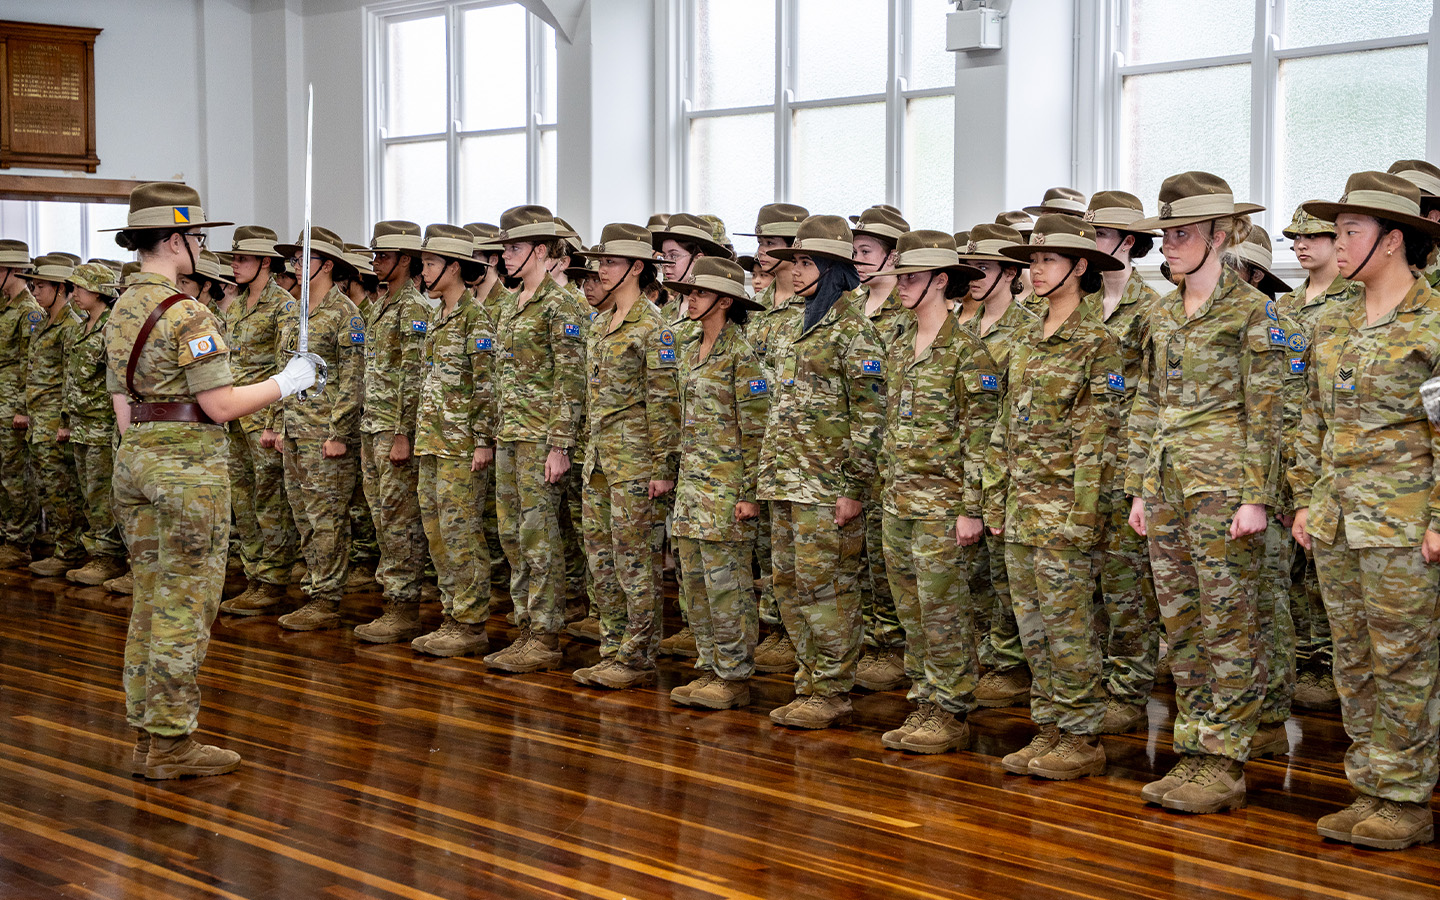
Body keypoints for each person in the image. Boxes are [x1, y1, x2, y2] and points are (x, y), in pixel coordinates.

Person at [104, 182, 316, 778]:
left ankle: (148, 734)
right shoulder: (187, 312)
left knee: (151, 599)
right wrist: (288, 382)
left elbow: (122, 402)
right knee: (186, 604)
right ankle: (171, 744)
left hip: (136, 457)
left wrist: (147, 451)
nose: (202, 247)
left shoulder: (122, 307)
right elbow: (219, 406)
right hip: (186, 469)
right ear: (175, 240)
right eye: (197, 236)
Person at [1127, 171, 1283, 814]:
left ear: (1220, 236)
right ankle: (1193, 749)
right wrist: (1139, 488)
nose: (1168, 245)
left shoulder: (1253, 312)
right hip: (1167, 486)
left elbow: (1268, 412)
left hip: (1223, 490)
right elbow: (1148, 403)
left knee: (1229, 626)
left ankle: (1225, 760)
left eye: (1182, 234)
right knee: (1183, 625)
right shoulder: (1162, 314)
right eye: (1165, 235)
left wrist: (1256, 497)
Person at [1293, 172, 1440, 850]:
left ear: (1393, 239)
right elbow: (1316, 422)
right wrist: (1309, 501)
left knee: (1404, 663)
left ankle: (1406, 800)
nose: (1339, 242)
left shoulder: (1432, 321)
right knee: (1353, 661)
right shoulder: (1334, 320)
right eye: (1339, 230)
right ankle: (1371, 786)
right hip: (1339, 521)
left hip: (1403, 525)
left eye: (1351, 231)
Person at [985, 214, 1124, 780]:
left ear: (1080, 266)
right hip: (1021, 508)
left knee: (1070, 630)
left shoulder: (1099, 342)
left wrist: (1084, 516)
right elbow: (1004, 425)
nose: (1035, 270)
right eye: (1032, 261)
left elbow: (1100, 439)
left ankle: (1082, 736)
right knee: (1034, 629)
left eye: (1047, 260)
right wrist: (995, 497)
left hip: (1066, 511)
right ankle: (1050, 726)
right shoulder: (1025, 336)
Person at [868, 231, 993, 753]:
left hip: (943, 506)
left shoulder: (968, 351)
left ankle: (951, 708)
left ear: (941, 281)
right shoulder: (897, 345)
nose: (901, 287)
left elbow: (982, 438)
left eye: (912, 278)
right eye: (899, 277)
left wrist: (971, 509)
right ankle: (924, 699)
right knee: (911, 611)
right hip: (898, 501)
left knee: (944, 611)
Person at [760, 215, 885, 729]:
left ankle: (832, 689)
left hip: (827, 488)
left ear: (833, 269)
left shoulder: (855, 331)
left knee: (827, 589)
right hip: (786, 481)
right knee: (788, 585)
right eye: (793, 262)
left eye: (806, 262)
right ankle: (809, 680)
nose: (794, 271)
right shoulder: (794, 323)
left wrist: (853, 488)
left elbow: (871, 419)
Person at [569, 223, 680, 689]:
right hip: (599, 462)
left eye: (610, 263)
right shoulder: (600, 324)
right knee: (602, 562)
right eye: (600, 263)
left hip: (636, 464)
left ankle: (636, 656)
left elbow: (665, 404)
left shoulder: (653, 328)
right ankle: (612, 648)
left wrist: (663, 469)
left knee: (636, 564)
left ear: (636, 268)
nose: (601, 271)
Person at [483, 205, 587, 674]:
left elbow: (571, 379)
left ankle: (544, 635)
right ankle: (525, 625)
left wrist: (560, 445)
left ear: (541, 251)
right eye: (504, 248)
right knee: (512, 536)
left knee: (539, 537)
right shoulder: (510, 304)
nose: (506, 255)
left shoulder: (562, 306)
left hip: (540, 439)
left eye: (515, 247)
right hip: (510, 433)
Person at [664, 257, 768, 709]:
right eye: (690, 292)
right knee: (696, 586)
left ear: (725, 301)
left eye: (700, 293)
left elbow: (758, 431)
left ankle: (733, 675)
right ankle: (709, 666)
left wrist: (750, 494)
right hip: (691, 491)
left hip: (726, 494)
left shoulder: (742, 357)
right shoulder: (690, 349)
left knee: (729, 588)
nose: (691, 299)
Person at [1085, 191, 1163, 734]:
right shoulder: (1077, 304)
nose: (1090, 245)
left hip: (1127, 464)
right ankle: (1089, 681)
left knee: (1127, 585)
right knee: (1083, 582)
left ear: (1128, 242)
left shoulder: (1154, 309)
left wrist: (1141, 478)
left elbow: (1157, 397)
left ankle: (1129, 688)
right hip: (1079, 467)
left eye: (1100, 236)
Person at [1278, 203, 1358, 712]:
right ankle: (1303, 655)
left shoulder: (1354, 299)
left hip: (1330, 451)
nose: (1302, 246)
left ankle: (1326, 663)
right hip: (1286, 447)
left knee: (1322, 566)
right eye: (1295, 239)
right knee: (1289, 565)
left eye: (1313, 237)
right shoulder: (1284, 306)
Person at [956, 224, 1038, 709]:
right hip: (961, 468)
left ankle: (1011, 663)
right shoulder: (960, 330)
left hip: (1008, 468)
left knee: (1008, 575)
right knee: (973, 574)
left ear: (1010, 273)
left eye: (983, 269)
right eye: (968, 269)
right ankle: (987, 652)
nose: (974, 278)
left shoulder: (1029, 330)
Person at [408, 224, 497, 657]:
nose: (424, 271)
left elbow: (487, 385)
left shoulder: (475, 318)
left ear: (455, 267)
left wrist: (483, 441)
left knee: (462, 532)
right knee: (437, 532)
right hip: (432, 440)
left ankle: (471, 622)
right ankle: (452, 614)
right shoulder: (436, 315)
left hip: (461, 445)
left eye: (430, 263)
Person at [271, 226, 366, 632]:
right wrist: (278, 423)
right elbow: (283, 373)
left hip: (325, 433)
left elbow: (354, 380)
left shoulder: (346, 314)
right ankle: (314, 586)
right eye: (293, 259)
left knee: (326, 517)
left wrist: (339, 433)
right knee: (303, 515)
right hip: (295, 428)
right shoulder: (294, 312)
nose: (295, 265)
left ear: (326, 265)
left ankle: (326, 598)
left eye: (303, 259)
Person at [350, 221, 432, 643]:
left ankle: (403, 607)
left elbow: (414, 377)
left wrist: (403, 433)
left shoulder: (413, 308)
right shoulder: (380, 306)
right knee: (382, 518)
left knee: (400, 521)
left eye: (383, 256)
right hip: (373, 425)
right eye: (375, 255)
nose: (376, 263)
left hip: (393, 430)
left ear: (405, 259)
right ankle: (393, 599)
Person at [737, 202, 809, 675]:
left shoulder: (810, 310)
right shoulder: (756, 310)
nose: (763, 252)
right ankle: (774, 626)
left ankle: (791, 633)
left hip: (793, 446)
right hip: (755, 443)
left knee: (795, 554)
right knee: (767, 547)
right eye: (760, 243)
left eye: (772, 244)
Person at [218, 226, 300, 616]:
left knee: (270, 501)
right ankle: (254, 573)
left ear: (266, 262)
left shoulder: (283, 305)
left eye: (242, 259)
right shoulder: (236, 306)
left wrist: (275, 423)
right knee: (243, 499)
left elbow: (286, 370)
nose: (234, 265)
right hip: (235, 417)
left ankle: (273, 579)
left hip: (262, 419)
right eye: (234, 258)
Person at [850, 204, 911, 694]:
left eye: (867, 250)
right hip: (854, 453)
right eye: (854, 250)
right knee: (862, 557)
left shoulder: (907, 314)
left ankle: (891, 646)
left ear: (893, 257)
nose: (858, 259)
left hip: (893, 454)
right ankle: (869, 639)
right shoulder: (849, 307)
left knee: (888, 560)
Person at [59, 263, 128, 587]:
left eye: (80, 288)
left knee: (103, 495)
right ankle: (98, 552)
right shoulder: (79, 328)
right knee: (89, 493)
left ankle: (108, 556)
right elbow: (71, 378)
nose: (74, 294)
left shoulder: (110, 328)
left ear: (99, 292)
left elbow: (118, 382)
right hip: (81, 424)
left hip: (101, 424)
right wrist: (66, 419)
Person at [21, 255, 85, 577]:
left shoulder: (70, 326)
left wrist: (65, 422)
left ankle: (70, 551)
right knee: (48, 487)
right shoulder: (44, 321)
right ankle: (65, 547)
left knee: (62, 490)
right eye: (33, 285)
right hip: (38, 418)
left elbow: (71, 379)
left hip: (54, 421)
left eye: (41, 286)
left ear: (60, 288)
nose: (35, 291)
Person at [0, 241, 41, 569]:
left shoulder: (29, 311)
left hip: (12, 404)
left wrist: (23, 408)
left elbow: (33, 363)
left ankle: (19, 542)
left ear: (13, 271)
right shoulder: (5, 306)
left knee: (16, 476)